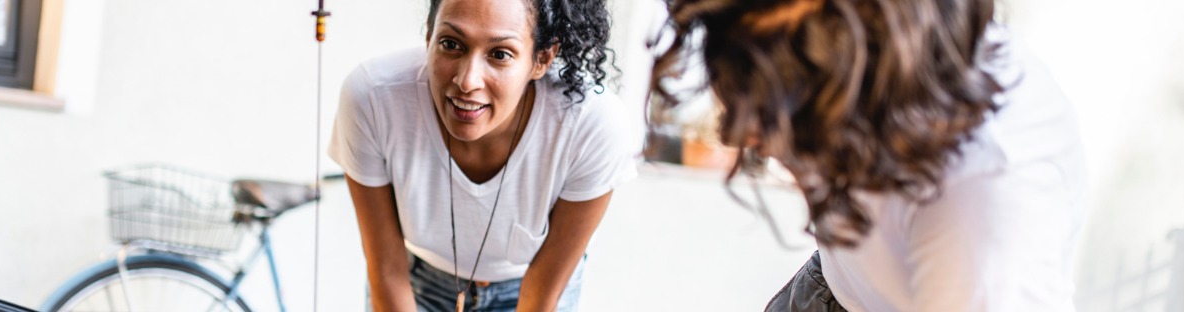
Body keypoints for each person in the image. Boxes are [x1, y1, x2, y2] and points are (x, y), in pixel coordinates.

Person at [652, 0, 1088, 311]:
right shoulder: (906, 44)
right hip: (836, 284)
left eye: (780, 104)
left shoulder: (986, 202)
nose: (740, 135)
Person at [328, 0, 642, 310]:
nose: (467, 80)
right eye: (451, 44)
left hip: (528, 284)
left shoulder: (591, 126)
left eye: (500, 54)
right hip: (416, 280)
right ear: (428, 35)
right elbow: (386, 270)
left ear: (542, 59)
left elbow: (540, 297)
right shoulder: (373, 98)